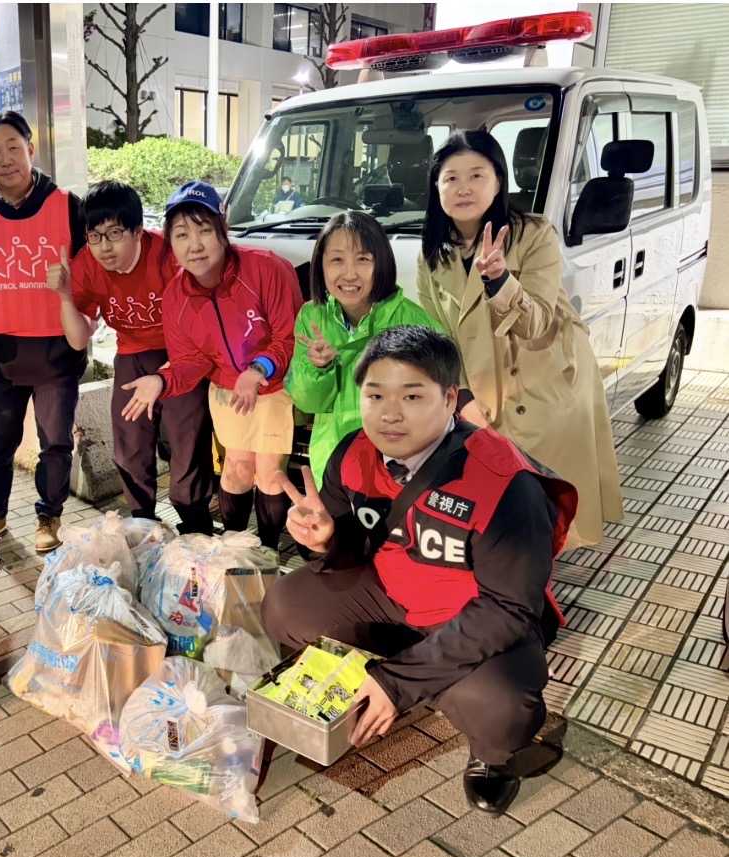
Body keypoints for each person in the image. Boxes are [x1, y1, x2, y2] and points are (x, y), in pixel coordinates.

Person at [261, 325, 577, 816]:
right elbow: (352, 549)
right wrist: (325, 540)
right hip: (391, 594)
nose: (390, 413)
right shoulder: (353, 453)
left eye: (412, 396)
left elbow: (508, 609)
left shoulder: (504, 481)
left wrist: (398, 683)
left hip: (472, 618)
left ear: (450, 399)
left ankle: (491, 757)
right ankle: (407, 671)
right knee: (285, 605)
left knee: (503, 705)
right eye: (375, 395)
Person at [416, 129, 622, 548]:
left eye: (477, 175)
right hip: (481, 389)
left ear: (498, 182)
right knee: (497, 494)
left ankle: (538, 569)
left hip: (542, 381)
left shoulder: (534, 234)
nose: (463, 188)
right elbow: (440, 337)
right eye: (451, 178)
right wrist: (463, 395)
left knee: (545, 499)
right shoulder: (433, 252)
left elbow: (537, 323)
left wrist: (499, 279)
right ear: (436, 188)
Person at [121, 181, 301, 550]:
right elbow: (191, 360)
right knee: (236, 468)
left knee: (269, 472)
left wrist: (258, 370)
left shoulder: (268, 268)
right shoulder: (176, 296)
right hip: (227, 389)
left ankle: (267, 551)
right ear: (170, 243)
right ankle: (235, 549)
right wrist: (161, 380)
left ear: (223, 228)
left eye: (204, 230)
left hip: (274, 385)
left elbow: (289, 336)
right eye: (181, 234)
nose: (195, 245)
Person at [0, 111, 87, 554]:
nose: (5, 158)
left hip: (57, 355)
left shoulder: (68, 207)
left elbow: (88, 275)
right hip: (3, 357)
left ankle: (50, 515)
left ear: (31, 149)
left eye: (13, 147)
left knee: (56, 444)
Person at [47, 180, 216, 534]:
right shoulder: (85, 265)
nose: (105, 247)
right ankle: (141, 522)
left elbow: (200, 326)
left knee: (187, 434)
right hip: (132, 352)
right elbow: (78, 340)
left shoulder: (168, 256)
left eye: (115, 233)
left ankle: (195, 523)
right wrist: (64, 296)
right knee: (129, 441)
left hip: (181, 351)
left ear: (138, 231)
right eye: (95, 236)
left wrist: (166, 376)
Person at [287, 211, 443, 480]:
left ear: (381, 262)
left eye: (363, 259)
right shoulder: (312, 316)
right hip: (332, 465)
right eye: (337, 260)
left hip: (397, 469)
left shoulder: (413, 322)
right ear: (321, 265)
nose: (349, 274)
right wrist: (318, 368)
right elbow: (307, 402)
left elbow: (437, 407)